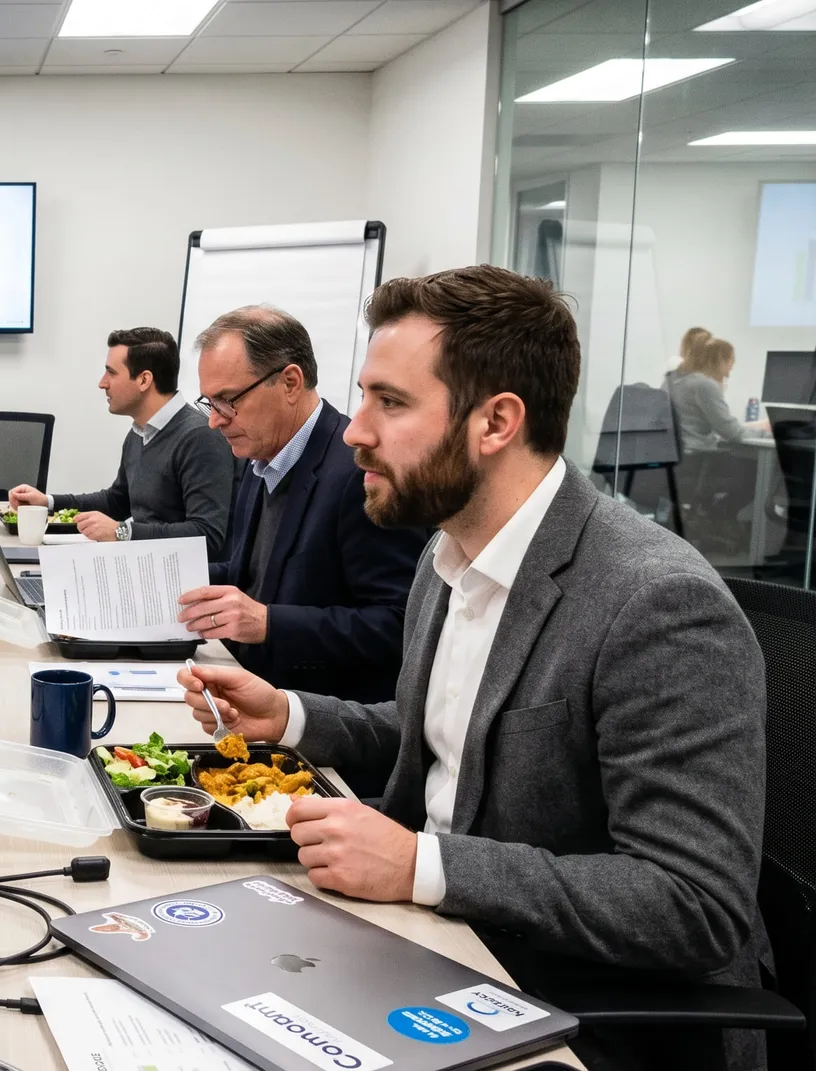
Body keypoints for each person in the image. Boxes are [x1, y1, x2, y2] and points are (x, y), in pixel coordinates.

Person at [178, 267, 765, 1071]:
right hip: (432, 943)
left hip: (566, 1006)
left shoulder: (656, 604)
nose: (354, 431)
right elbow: (442, 737)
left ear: (496, 422)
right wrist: (291, 714)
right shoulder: (448, 552)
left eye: (392, 402)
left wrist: (424, 864)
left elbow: (690, 903)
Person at [174, 305, 424, 704]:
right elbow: (252, 573)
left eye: (226, 401)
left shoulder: (360, 474)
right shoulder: (261, 457)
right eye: (210, 403)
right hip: (248, 692)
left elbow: (400, 626)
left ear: (290, 382)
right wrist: (164, 575)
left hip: (319, 718)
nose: (214, 421)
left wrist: (268, 623)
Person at [7, 327, 233, 555]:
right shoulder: (140, 432)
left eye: (111, 373)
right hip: (143, 565)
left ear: (144, 380)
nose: (102, 383)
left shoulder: (200, 436)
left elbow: (207, 535)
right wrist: (47, 502)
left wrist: (122, 532)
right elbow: (118, 502)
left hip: (181, 580)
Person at [667, 336, 749, 451]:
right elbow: (731, 432)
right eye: (732, 360)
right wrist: (771, 434)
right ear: (722, 361)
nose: (732, 366)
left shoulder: (674, 380)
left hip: (676, 453)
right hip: (697, 455)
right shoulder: (704, 384)